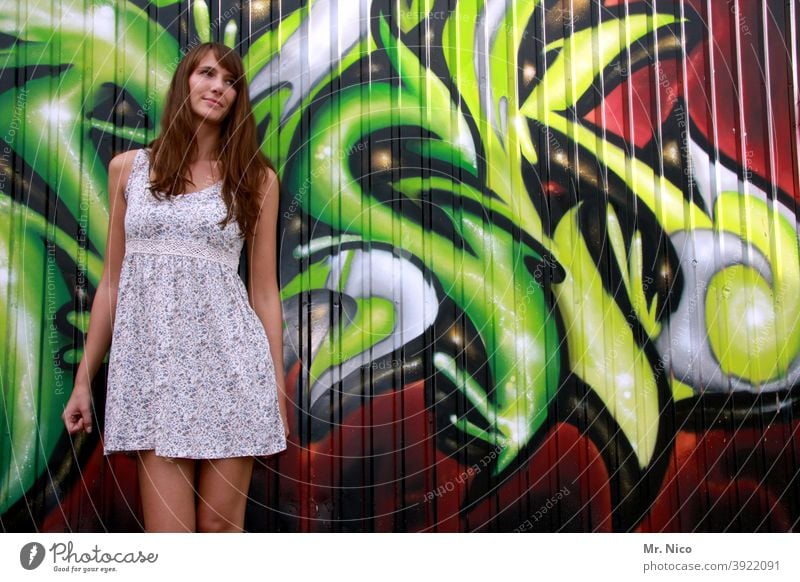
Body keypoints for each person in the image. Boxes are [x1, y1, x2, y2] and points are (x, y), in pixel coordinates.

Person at [62, 42, 290, 533]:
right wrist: (84, 379)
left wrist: (274, 386)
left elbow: (265, 293)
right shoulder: (129, 169)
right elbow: (113, 282)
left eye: (231, 82)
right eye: (207, 74)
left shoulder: (255, 178)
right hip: (155, 374)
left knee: (219, 531)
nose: (219, 88)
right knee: (172, 539)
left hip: (232, 371)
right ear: (184, 82)